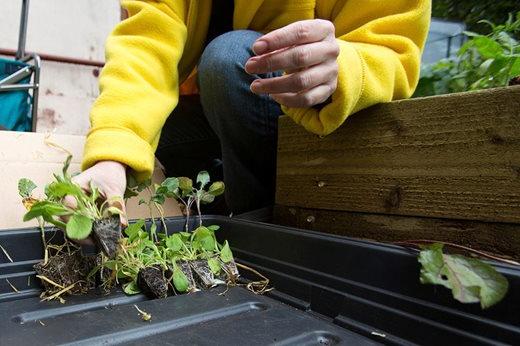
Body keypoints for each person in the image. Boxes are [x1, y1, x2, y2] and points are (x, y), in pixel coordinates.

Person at [73, 0, 431, 220]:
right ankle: (218, 204)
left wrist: (348, 68)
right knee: (153, 130)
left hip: (317, 117)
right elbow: (146, 41)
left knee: (230, 60)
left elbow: (394, 48)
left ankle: (258, 228)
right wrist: (114, 154)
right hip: (217, 106)